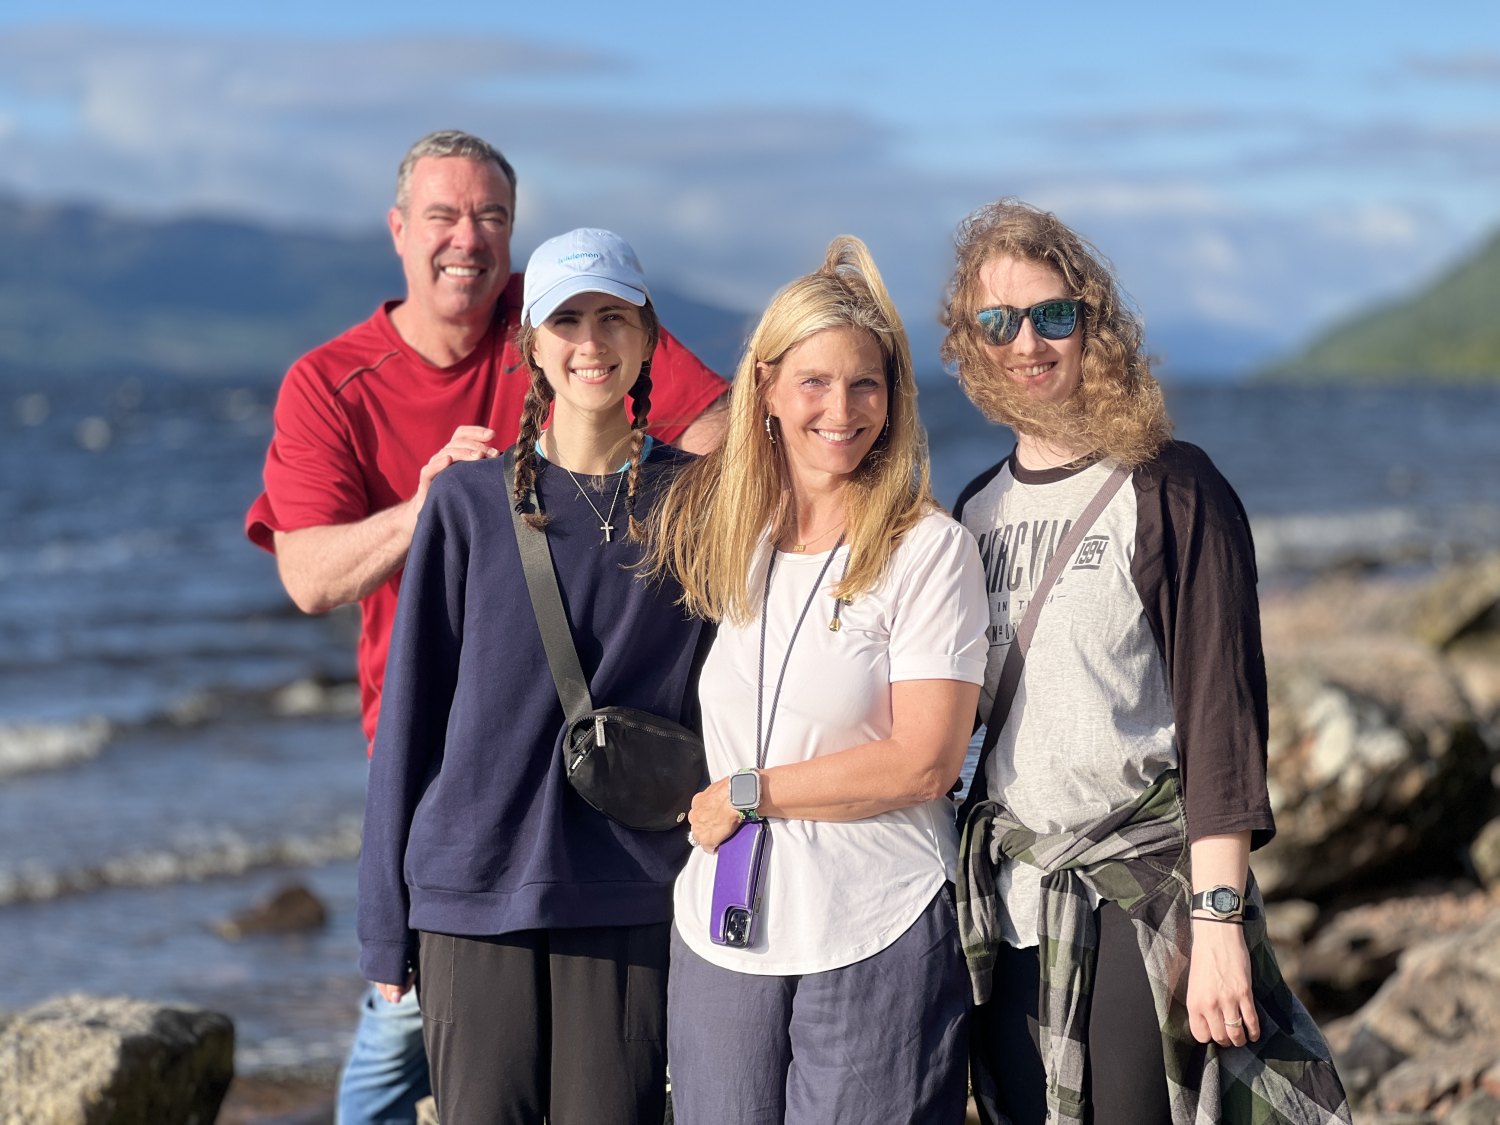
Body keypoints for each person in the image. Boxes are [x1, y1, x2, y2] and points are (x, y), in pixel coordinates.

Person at [244, 131, 727, 1125]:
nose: (468, 237)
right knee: (398, 1046)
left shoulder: (683, 494)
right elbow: (314, 583)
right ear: (399, 229)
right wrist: (427, 510)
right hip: (466, 809)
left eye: (491, 217)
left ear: (645, 337)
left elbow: (727, 428)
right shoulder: (346, 396)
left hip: (622, 853)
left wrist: (667, 489)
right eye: (444, 215)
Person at [941, 198, 1350, 1125]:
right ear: (969, 343)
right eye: (998, 322)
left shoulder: (1171, 486)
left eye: (1052, 315)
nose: (1028, 343)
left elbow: (1222, 722)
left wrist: (1220, 920)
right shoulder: (972, 511)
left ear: (1093, 323)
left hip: (1140, 898)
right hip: (1009, 905)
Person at [357, 227, 702, 1125]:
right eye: (567, 321)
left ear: (649, 336)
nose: (591, 343)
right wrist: (383, 920)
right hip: (470, 887)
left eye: (613, 318)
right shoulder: (467, 504)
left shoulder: (701, 503)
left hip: (630, 884)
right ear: (531, 346)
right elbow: (412, 713)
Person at [645, 235, 989, 1124]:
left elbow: (925, 762)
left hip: (874, 922)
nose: (842, 409)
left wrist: (750, 791)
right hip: (723, 929)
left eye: (866, 383)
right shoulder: (730, 538)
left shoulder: (928, 550)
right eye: (814, 381)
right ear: (764, 387)